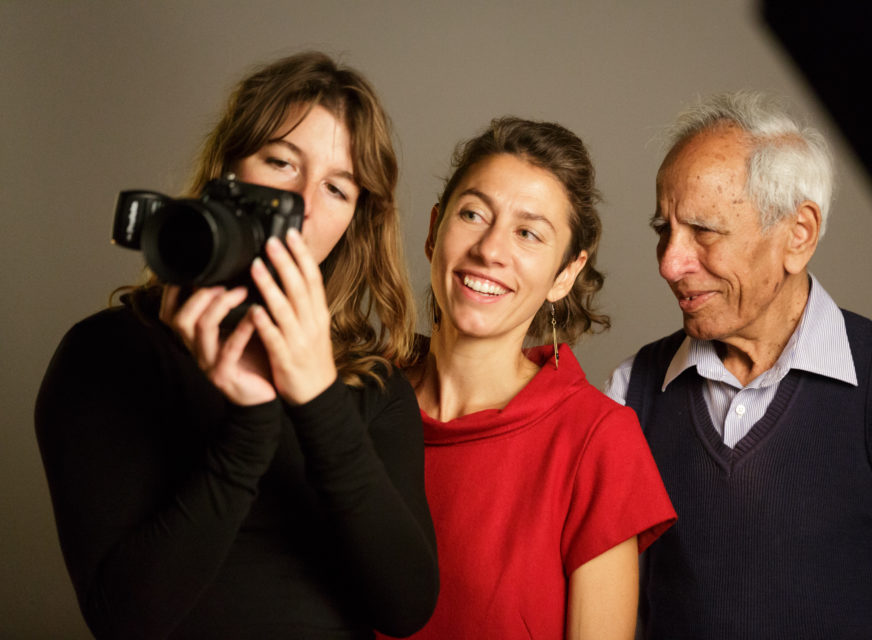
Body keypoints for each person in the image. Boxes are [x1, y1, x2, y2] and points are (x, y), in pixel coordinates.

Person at [35, 51, 438, 639]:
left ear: (356, 218)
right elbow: (125, 620)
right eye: (279, 162)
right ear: (227, 172)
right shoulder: (105, 356)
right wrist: (249, 427)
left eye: (336, 188)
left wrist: (319, 397)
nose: (300, 203)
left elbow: (406, 609)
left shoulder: (373, 387)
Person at [605, 91, 872, 639]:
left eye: (704, 231)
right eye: (664, 231)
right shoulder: (631, 392)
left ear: (799, 234)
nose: (671, 263)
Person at [392, 117, 676, 640]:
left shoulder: (598, 439)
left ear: (565, 275)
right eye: (473, 214)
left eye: (528, 233)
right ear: (435, 231)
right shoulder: (352, 399)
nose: (490, 250)